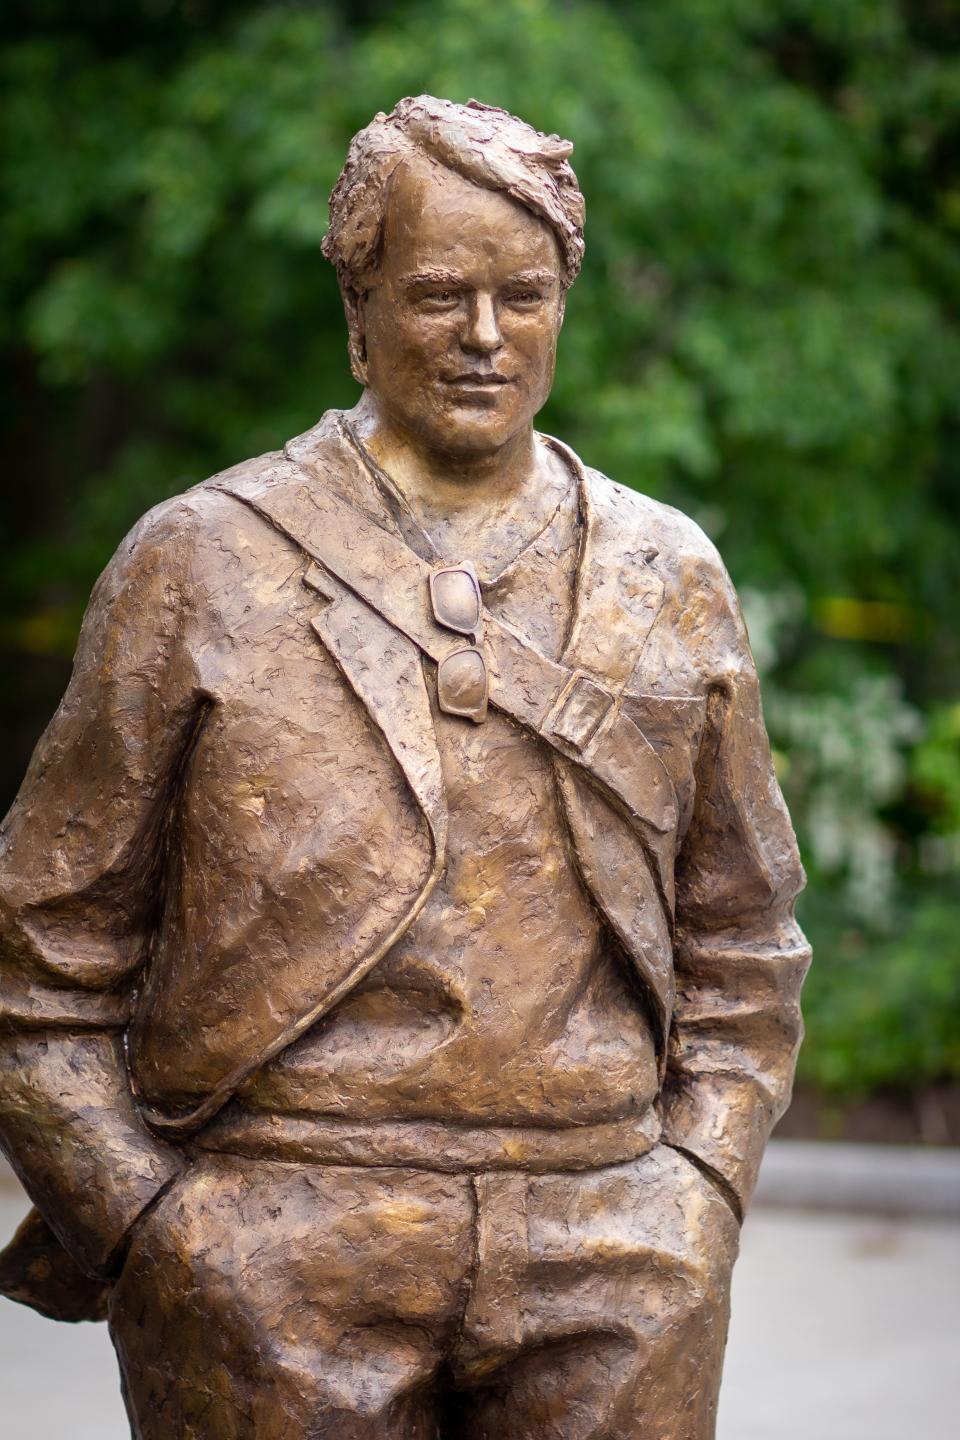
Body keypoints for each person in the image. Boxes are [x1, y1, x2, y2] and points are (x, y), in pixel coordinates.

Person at [0, 96, 810, 1438]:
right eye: (439, 294)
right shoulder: (199, 561)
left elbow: (745, 935)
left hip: (614, 1243)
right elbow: (41, 950)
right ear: (358, 302)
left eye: (526, 295)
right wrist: (156, 1225)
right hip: (280, 1237)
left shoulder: (666, 577)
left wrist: (698, 1191)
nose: (486, 337)